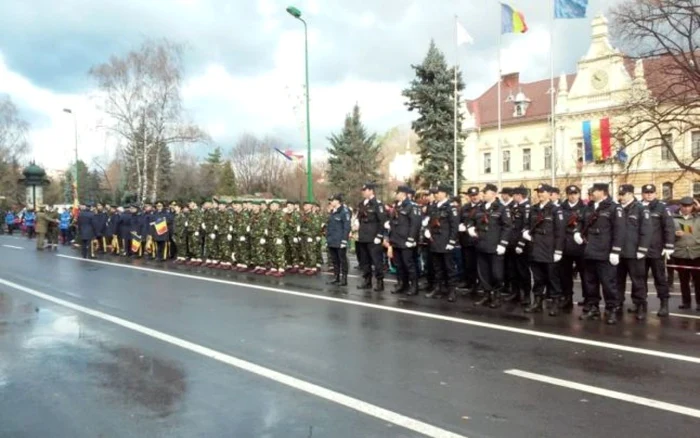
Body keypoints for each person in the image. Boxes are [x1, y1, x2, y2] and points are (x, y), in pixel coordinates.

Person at [577, 183, 625, 325]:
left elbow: (619, 231)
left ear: (603, 192)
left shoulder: (614, 208)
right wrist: (577, 233)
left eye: (594, 191)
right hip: (589, 251)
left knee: (608, 284)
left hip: (605, 252)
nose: (591, 193)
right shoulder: (589, 207)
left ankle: (612, 309)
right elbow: (581, 222)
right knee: (590, 283)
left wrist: (616, 251)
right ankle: (593, 308)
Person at [519, 184, 565, 316]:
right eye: (538, 192)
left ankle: (555, 302)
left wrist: (558, 250)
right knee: (538, 278)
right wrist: (525, 232)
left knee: (552, 278)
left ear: (549, 194)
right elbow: (526, 225)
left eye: (543, 192)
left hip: (549, 249)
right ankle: (537, 302)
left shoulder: (556, 210)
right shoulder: (534, 209)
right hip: (535, 248)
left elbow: (560, 232)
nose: (540, 194)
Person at [468, 184, 513, 308]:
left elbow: (507, 227)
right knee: (483, 273)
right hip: (481, 245)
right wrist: (470, 228)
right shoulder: (480, 208)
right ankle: (487, 295)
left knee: (496, 274)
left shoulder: (502, 208)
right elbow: (471, 220)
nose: (482, 194)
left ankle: (497, 296)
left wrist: (503, 244)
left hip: (495, 246)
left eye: (485, 192)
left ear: (493, 194)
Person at [616, 184, 652, 320]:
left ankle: (640, 305)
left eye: (623, 194)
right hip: (619, 252)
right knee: (618, 280)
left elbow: (646, 231)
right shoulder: (618, 208)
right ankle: (618, 303)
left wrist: (642, 249)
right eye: (620, 194)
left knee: (638, 281)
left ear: (631, 194)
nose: (621, 197)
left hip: (634, 251)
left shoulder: (641, 209)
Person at [640, 184, 675, 317]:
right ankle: (641, 304)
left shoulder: (662, 207)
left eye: (651, 192)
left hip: (656, 249)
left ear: (655, 193)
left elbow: (669, 227)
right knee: (640, 279)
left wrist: (669, 246)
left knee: (660, 278)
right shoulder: (637, 207)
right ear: (642, 194)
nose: (649, 194)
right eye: (646, 192)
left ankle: (664, 304)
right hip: (640, 249)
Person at [424, 185, 459, 301]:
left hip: (445, 241)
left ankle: (452, 290)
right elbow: (429, 221)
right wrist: (427, 231)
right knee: (437, 267)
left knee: (449, 268)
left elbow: (454, 226)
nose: (436, 195)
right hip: (435, 241)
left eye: (438, 192)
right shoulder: (434, 206)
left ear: (444, 193)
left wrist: (452, 241)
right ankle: (438, 288)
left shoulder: (450, 207)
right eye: (435, 193)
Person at [387, 186, 421, 295]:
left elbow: (415, 224)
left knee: (409, 265)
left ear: (403, 194)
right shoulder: (397, 206)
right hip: (396, 240)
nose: (396, 195)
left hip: (406, 240)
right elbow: (394, 222)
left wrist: (411, 238)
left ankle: (414, 286)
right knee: (399, 265)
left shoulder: (411, 206)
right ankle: (402, 284)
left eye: (398, 193)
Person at [559, 185, 587, 312]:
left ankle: (588, 299)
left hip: (581, 247)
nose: (572, 196)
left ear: (579, 194)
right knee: (565, 275)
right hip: (565, 246)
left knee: (585, 274)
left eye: (575, 193)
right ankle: (567, 298)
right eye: (570, 193)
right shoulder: (561, 208)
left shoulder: (585, 208)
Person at [356, 182, 387, 292]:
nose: (363, 192)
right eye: (363, 191)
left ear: (371, 191)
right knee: (365, 261)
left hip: (374, 237)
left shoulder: (377, 204)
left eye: (365, 190)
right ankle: (367, 280)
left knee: (377, 260)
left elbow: (382, 221)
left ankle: (379, 282)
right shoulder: (362, 204)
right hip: (363, 236)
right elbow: (359, 219)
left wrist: (379, 235)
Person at [671, 196, 700, 311]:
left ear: (693, 206)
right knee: (684, 281)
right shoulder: (673, 219)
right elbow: (666, 233)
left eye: (689, 206)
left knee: (698, 281)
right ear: (680, 206)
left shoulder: (697, 218)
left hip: (696, 253)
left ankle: (699, 303)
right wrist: (674, 234)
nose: (686, 208)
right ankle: (686, 302)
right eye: (684, 206)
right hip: (681, 253)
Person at [505, 186, 531, 305]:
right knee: (511, 270)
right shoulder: (512, 207)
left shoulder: (527, 208)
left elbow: (526, 227)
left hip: (521, 245)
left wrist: (521, 243)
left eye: (514, 194)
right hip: (511, 243)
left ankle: (526, 295)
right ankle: (514, 292)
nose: (513, 196)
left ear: (519, 195)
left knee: (523, 271)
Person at [458, 187, 481, 295]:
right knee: (468, 263)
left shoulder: (482, 207)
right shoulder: (465, 207)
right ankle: (469, 282)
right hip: (466, 240)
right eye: (472, 195)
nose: (474, 197)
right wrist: (461, 225)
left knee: (478, 264)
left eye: (476, 195)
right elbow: (460, 220)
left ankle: (478, 284)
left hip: (477, 239)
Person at [326, 194, 351, 287]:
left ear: (337, 201)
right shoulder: (333, 211)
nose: (331, 202)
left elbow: (346, 227)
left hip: (340, 240)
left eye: (332, 200)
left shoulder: (344, 212)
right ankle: (336, 277)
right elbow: (330, 227)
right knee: (335, 260)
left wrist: (344, 240)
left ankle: (344, 278)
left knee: (342, 260)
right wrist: (328, 239)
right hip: (332, 240)